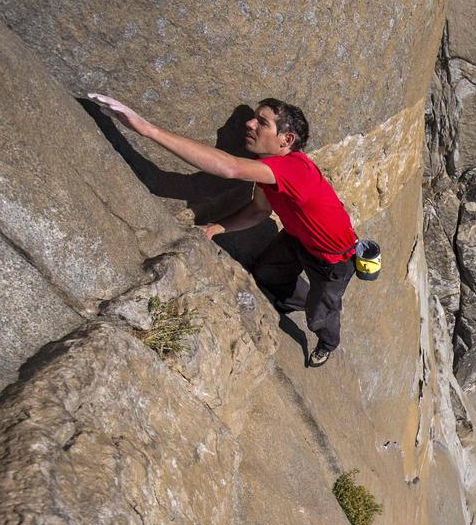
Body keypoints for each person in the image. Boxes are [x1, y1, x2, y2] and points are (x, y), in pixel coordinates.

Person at [89, 94, 357, 368]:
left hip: (331, 259)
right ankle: (303, 300)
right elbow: (259, 211)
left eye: (262, 122)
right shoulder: (267, 168)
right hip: (297, 237)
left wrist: (148, 130)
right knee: (267, 274)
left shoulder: (294, 168)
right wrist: (215, 228)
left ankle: (327, 341)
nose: (250, 124)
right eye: (254, 117)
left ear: (286, 140)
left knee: (319, 316)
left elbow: (229, 168)